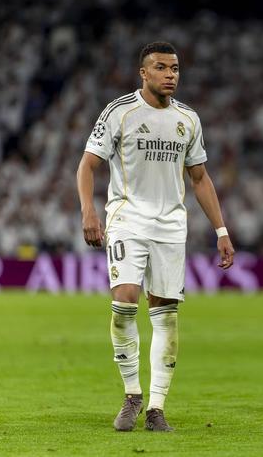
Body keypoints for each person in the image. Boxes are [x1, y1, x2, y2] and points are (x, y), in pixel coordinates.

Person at [77, 41, 235, 432]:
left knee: (165, 313)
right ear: (143, 73)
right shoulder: (119, 112)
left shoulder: (188, 119)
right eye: (161, 68)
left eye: (175, 68)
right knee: (125, 300)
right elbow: (87, 165)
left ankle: (156, 408)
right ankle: (132, 394)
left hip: (170, 226)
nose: (170, 75)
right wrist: (89, 211)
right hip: (127, 218)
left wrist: (221, 230)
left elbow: (200, 178)